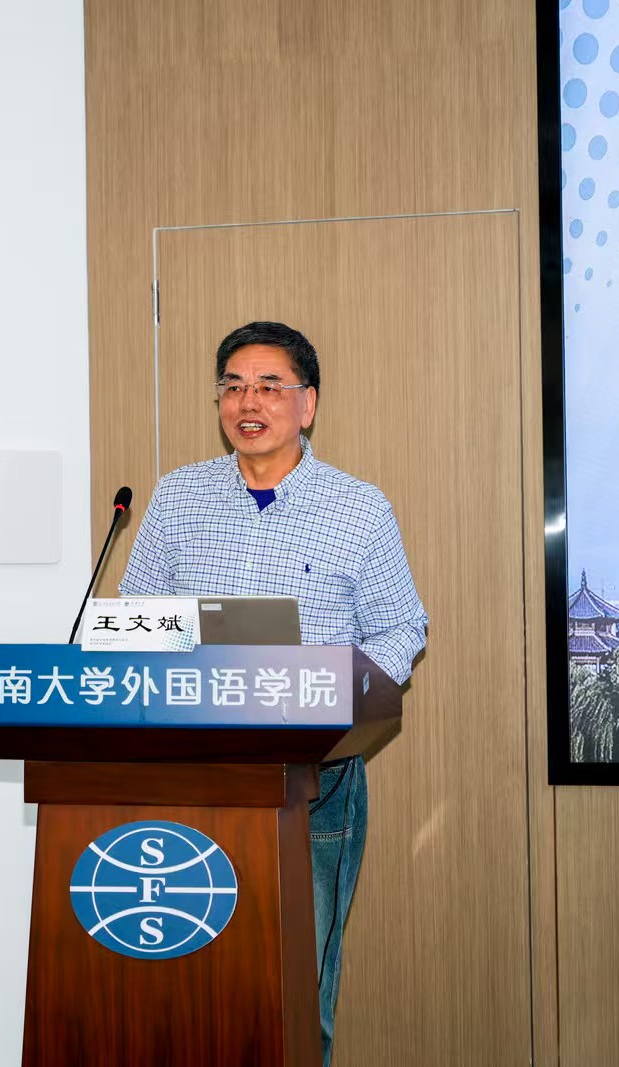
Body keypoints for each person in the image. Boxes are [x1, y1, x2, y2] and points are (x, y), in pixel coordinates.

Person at [119, 320, 427, 1065]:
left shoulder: (358, 508)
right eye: (232, 386)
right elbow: (135, 619)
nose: (247, 401)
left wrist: (341, 697)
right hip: (192, 775)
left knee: (295, 994)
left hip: (311, 782)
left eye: (268, 386)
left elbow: (401, 629)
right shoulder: (178, 497)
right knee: (193, 990)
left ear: (307, 403)